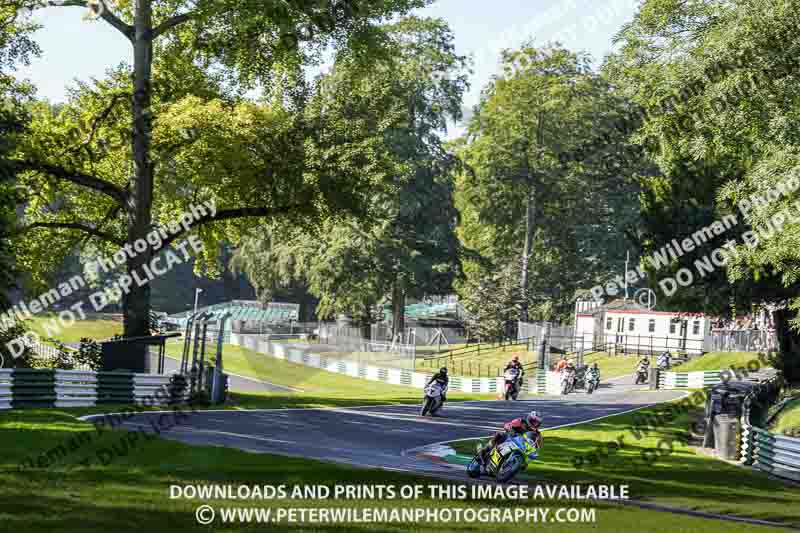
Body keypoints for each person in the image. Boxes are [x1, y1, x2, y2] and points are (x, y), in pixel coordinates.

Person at [477, 410, 543, 471]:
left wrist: (536, 450)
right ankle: (484, 450)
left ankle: (508, 468)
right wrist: (509, 429)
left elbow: (538, 446)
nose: (535, 424)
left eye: (537, 423)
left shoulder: (537, 434)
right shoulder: (521, 421)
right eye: (534, 421)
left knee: (524, 465)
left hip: (522, 446)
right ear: (529, 419)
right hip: (510, 438)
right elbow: (508, 424)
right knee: (500, 434)